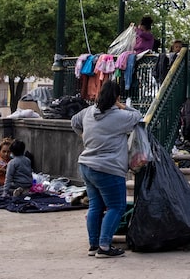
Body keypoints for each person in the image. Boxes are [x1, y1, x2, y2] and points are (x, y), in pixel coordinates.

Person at [71, 81, 142, 258]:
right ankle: (104, 246)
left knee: (95, 205)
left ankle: (94, 244)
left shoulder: (88, 112)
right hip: (108, 168)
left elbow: (74, 121)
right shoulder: (119, 115)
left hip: (86, 164)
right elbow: (138, 115)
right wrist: (122, 105)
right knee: (116, 207)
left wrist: (85, 136)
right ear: (116, 97)